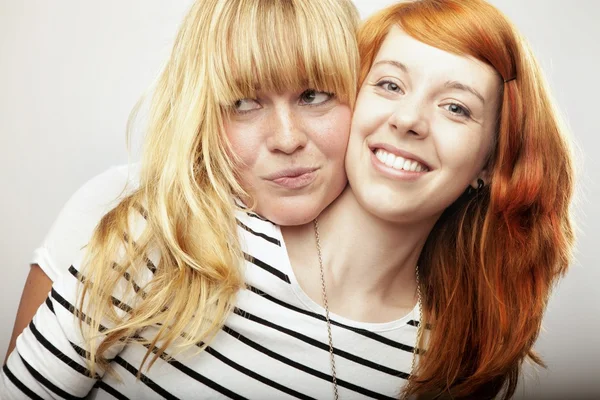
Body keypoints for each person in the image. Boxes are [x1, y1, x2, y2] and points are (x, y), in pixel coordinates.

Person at [2, 1, 575, 399]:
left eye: (456, 107)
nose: (408, 120)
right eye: (391, 85)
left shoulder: (445, 362)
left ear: (491, 162)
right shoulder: (162, 232)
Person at [4, 0, 359, 364]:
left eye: (313, 96)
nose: (287, 139)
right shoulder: (119, 210)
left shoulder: (412, 291)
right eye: (243, 104)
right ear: (201, 110)